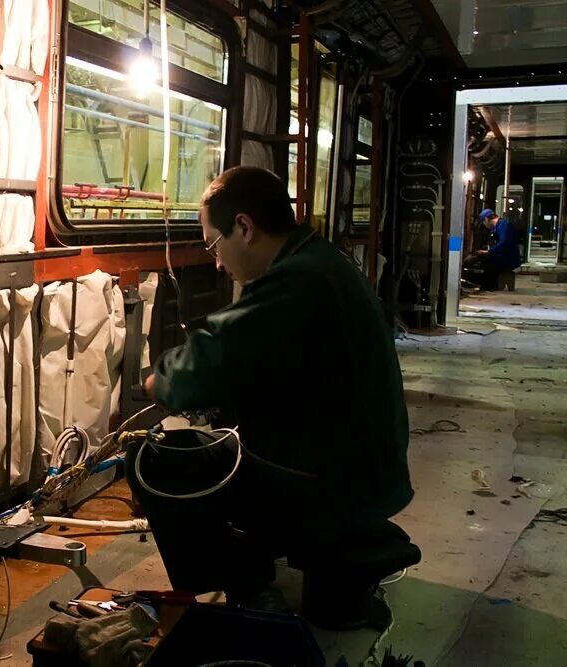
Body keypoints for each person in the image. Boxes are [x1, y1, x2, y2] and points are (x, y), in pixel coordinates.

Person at [126, 166, 413, 609]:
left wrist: (157, 381)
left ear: (244, 227)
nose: (217, 263)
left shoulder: (296, 281)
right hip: (365, 471)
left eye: (214, 246)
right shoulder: (323, 261)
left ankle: (246, 589)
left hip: (334, 484)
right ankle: (259, 563)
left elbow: (205, 365)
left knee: (156, 460)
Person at [469, 208, 521, 290]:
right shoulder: (501, 225)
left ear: (486, 219)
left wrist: (489, 251)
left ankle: (488, 286)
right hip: (506, 257)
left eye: (483, 223)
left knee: (484, 263)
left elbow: (504, 243)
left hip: (508, 259)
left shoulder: (504, 225)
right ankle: (491, 284)